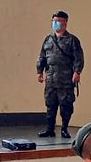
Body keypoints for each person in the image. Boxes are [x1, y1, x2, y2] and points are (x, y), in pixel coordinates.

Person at [36, 11, 84, 139]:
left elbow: (78, 57)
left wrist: (77, 72)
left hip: (66, 78)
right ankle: (49, 129)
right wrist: (39, 71)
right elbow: (42, 56)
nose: (55, 23)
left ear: (65, 23)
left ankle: (64, 129)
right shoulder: (48, 39)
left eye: (58, 21)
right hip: (51, 78)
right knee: (50, 104)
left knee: (66, 105)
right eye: (54, 21)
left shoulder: (72, 40)